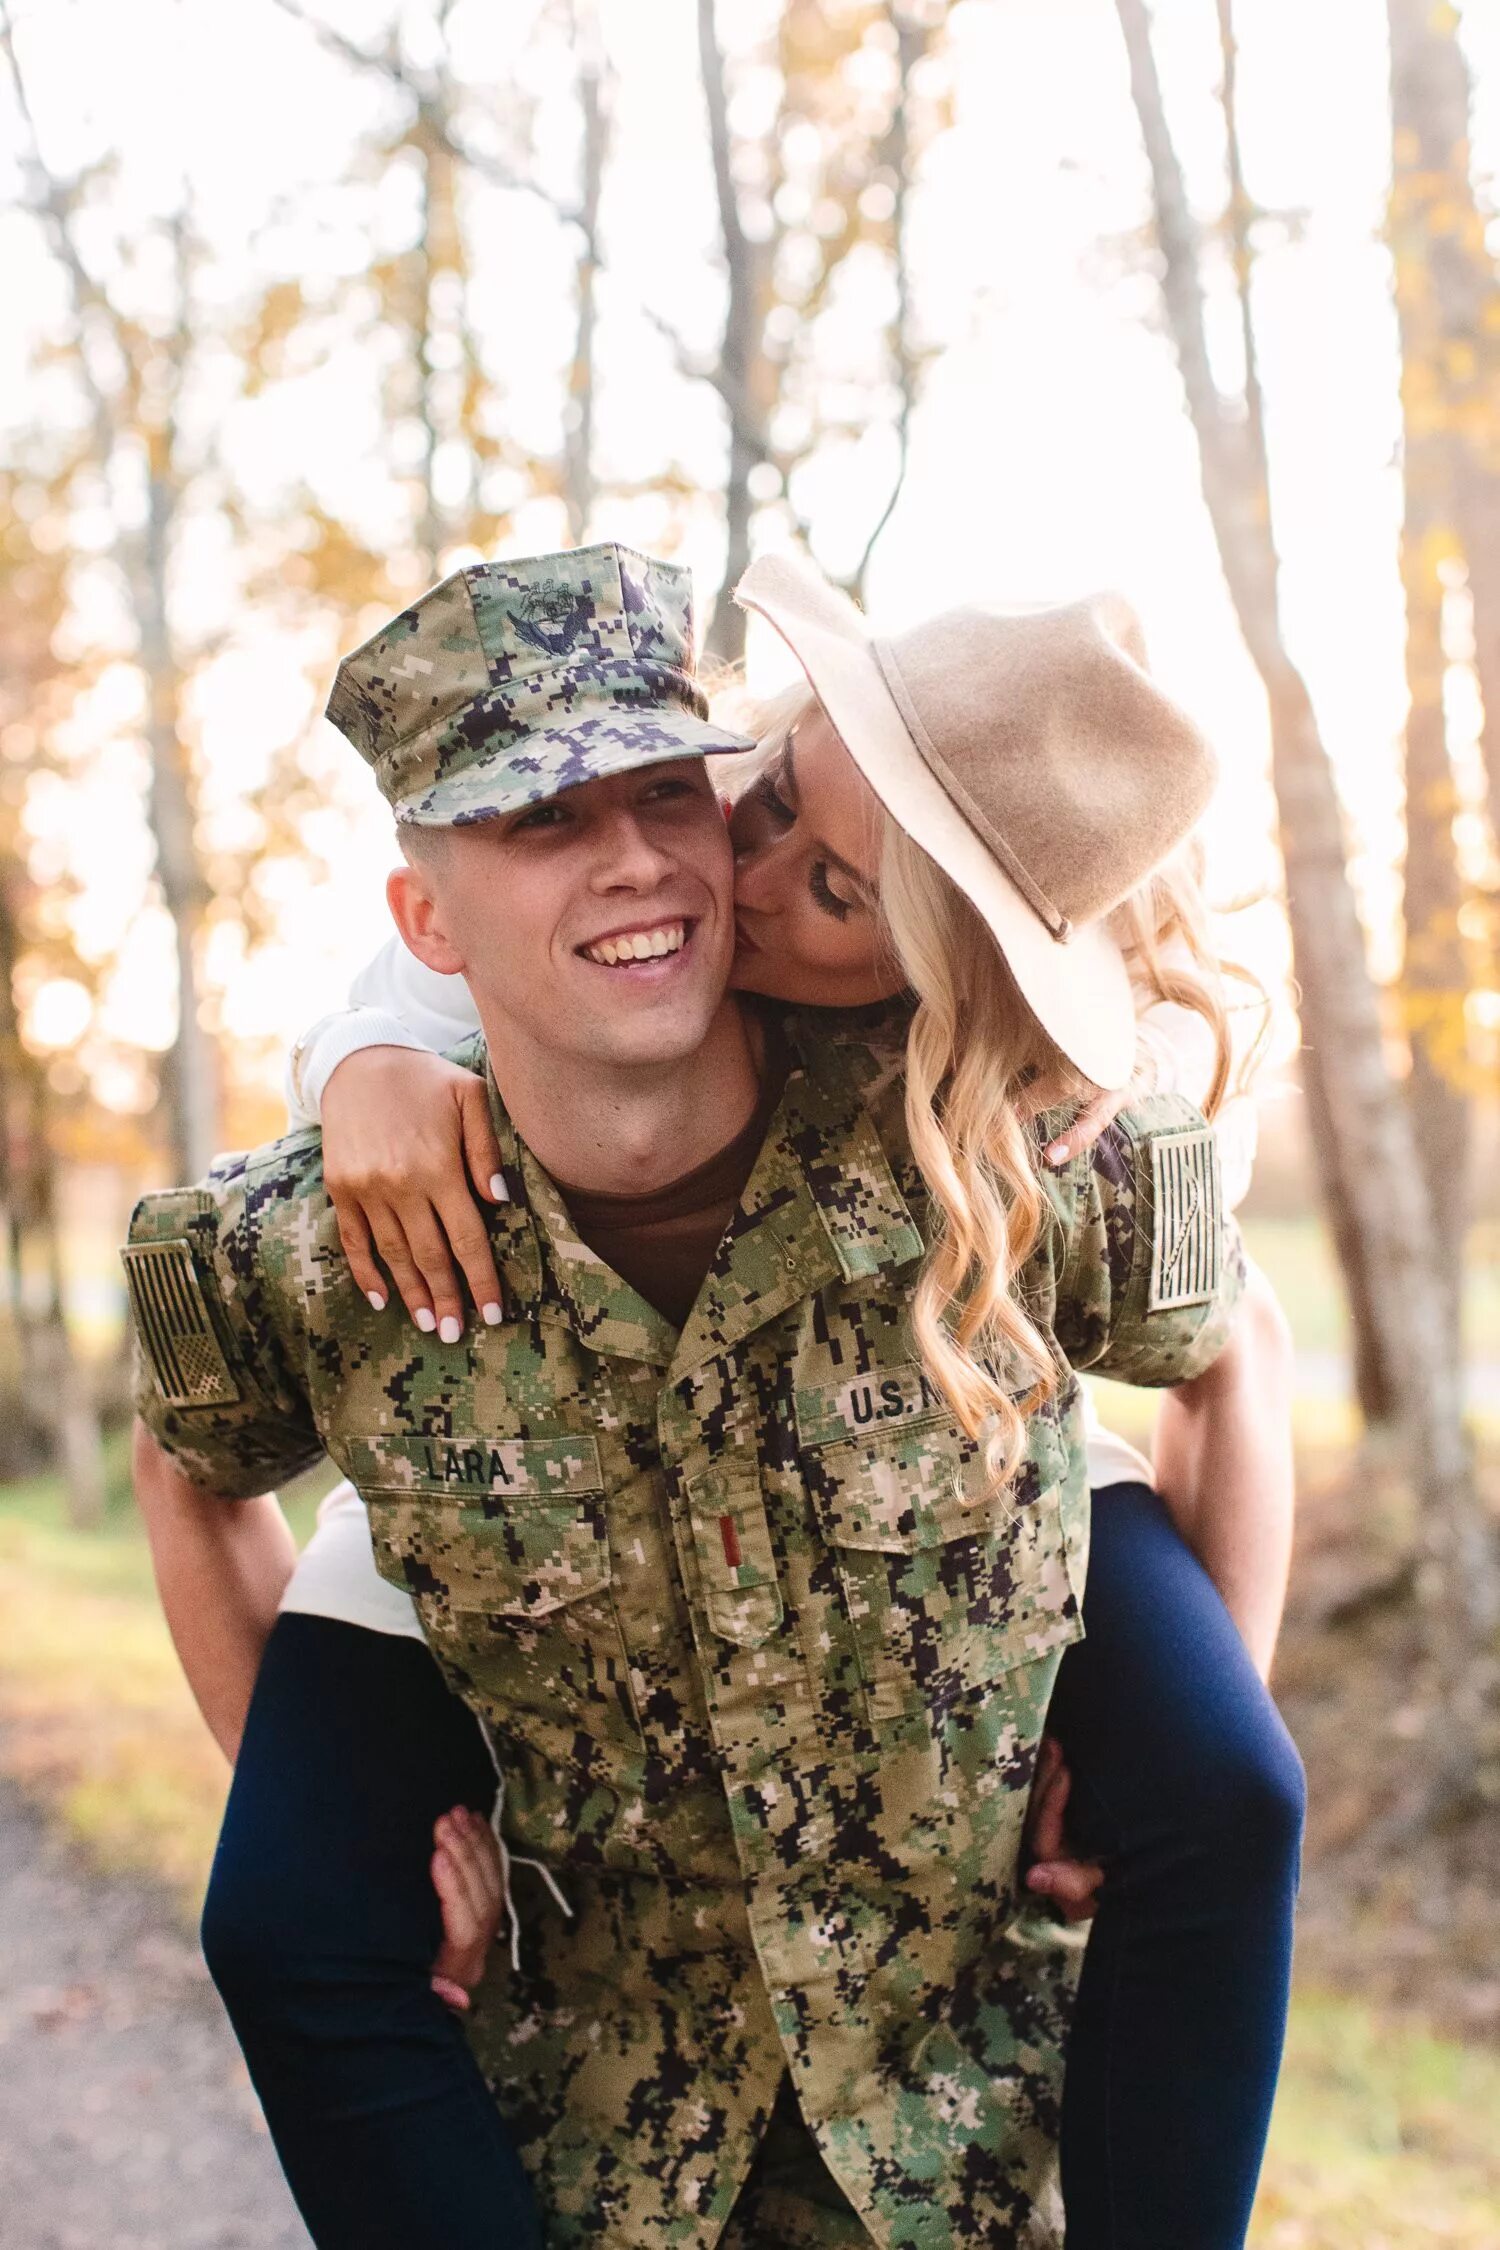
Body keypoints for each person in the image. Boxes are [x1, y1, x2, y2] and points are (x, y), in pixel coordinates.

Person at [125, 541, 1287, 2249]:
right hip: (463, 1489)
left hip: (962, 1433)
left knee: (1227, 1795)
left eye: (682, 801)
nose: (706, 871)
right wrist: (365, 1069)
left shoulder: (1005, 1130)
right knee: (289, 1916)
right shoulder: (361, 1180)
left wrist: (1140, 1772)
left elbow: (1233, 1332)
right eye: (763, 805)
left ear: (932, 963)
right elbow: (194, 1433)